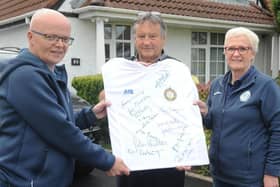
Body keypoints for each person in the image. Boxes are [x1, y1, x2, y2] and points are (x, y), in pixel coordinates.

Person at [0, 8, 129, 187]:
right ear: (31, 37)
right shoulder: (25, 76)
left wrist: (90, 115)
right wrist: (106, 160)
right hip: (24, 181)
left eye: (65, 39)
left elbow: (57, 121)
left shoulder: (50, 73)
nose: (60, 44)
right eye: (51, 37)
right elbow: (59, 130)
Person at [113, 11, 193, 187]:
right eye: (141, 36)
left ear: (163, 39)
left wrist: (188, 152)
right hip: (131, 163)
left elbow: (188, 118)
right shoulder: (121, 71)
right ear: (134, 39)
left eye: (153, 36)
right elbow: (108, 102)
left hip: (169, 165)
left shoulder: (178, 70)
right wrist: (107, 96)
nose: (146, 42)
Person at [195, 27, 280, 187]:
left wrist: (272, 172)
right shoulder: (217, 84)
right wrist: (206, 114)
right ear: (225, 52)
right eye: (231, 48)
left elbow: (278, 130)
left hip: (250, 178)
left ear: (252, 53)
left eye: (242, 48)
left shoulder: (266, 86)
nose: (236, 53)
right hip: (220, 174)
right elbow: (214, 124)